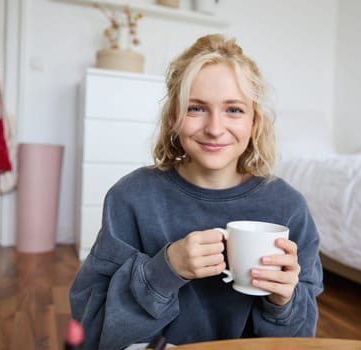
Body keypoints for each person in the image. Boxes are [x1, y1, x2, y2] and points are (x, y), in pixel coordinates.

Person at [69, 33, 323, 350]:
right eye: (196, 108)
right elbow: (92, 325)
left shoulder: (288, 207)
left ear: (254, 121)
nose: (215, 128)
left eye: (234, 110)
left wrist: (283, 301)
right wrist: (165, 270)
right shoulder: (130, 198)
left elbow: (300, 342)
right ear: (174, 116)